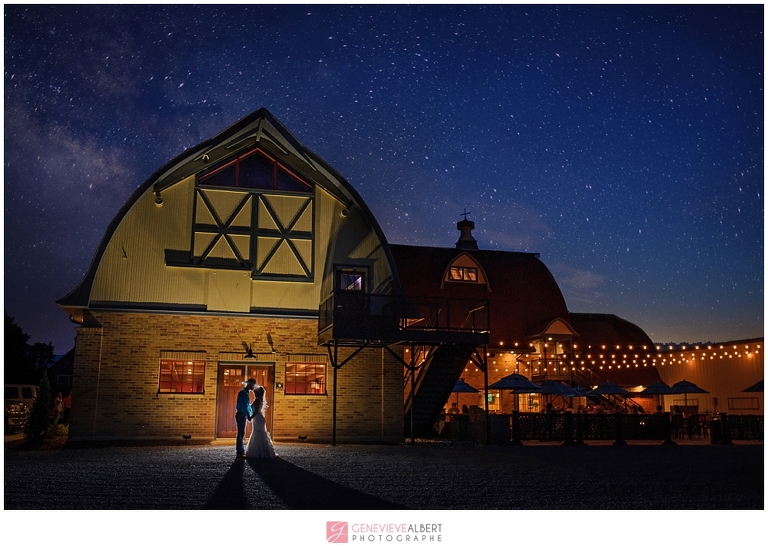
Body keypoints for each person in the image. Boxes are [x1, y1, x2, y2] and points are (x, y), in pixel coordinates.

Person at [246, 386, 276, 458]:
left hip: (257, 418)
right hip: (258, 418)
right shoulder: (259, 400)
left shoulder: (257, 400)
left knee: (258, 433)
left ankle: (259, 452)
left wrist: (251, 417)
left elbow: (256, 411)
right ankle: (263, 451)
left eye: (255, 391)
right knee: (259, 433)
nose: (254, 392)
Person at [235, 378, 257, 458]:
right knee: (241, 433)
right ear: (250, 384)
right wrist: (248, 416)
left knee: (241, 433)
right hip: (241, 414)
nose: (254, 387)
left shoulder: (245, 393)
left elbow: (247, 406)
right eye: (253, 385)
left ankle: (240, 451)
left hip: (242, 414)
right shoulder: (243, 393)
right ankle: (240, 452)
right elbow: (244, 406)